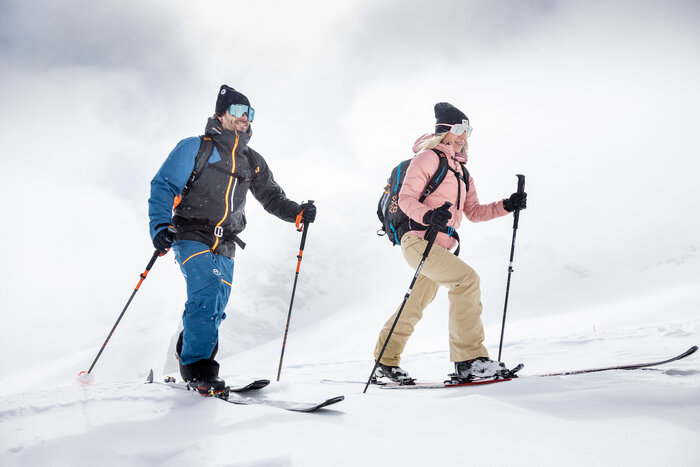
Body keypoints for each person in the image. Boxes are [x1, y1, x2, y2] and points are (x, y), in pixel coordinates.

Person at [148, 84, 316, 395]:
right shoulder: (195, 148)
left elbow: (271, 197)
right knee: (209, 292)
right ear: (221, 114)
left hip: (227, 241)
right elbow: (163, 186)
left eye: (250, 113)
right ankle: (198, 367)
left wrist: (297, 212)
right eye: (239, 112)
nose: (245, 118)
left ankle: (188, 346)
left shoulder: (251, 159)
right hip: (191, 233)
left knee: (217, 305)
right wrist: (160, 226)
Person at [373, 102, 527, 383]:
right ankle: (469, 361)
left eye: (468, 130)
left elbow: (474, 212)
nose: (464, 135)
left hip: (440, 247)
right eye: (459, 128)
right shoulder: (427, 158)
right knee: (466, 280)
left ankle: (385, 359)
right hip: (418, 240)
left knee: (415, 303)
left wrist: (507, 205)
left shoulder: (463, 173)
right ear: (444, 131)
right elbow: (407, 199)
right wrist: (430, 214)